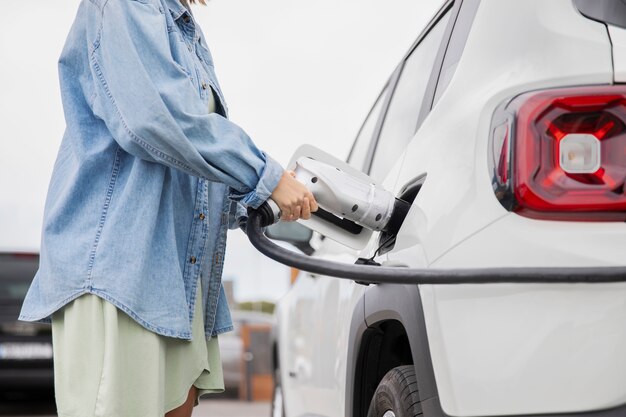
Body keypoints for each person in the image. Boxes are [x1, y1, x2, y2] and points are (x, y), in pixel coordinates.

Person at [18, 0, 318, 415]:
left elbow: (188, 168)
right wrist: (265, 175)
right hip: (122, 271)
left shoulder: (183, 28)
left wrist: (256, 199)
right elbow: (156, 118)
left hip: (180, 279)